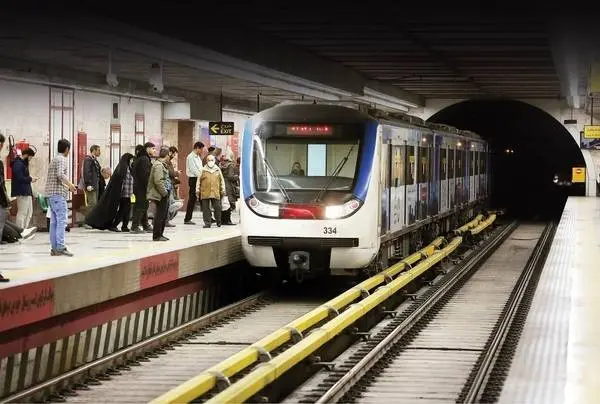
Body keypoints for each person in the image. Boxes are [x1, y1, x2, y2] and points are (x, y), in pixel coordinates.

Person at [85, 153, 134, 232]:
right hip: (123, 194)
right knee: (123, 210)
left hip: (128, 193)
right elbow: (120, 182)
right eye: (131, 159)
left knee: (126, 210)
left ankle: (124, 226)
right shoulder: (123, 169)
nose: (132, 161)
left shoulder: (128, 168)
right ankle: (114, 225)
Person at [45, 139, 77, 256]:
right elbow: (60, 174)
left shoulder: (54, 159)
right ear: (67, 149)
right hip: (58, 195)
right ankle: (60, 247)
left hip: (51, 195)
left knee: (54, 222)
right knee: (62, 221)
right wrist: (70, 185)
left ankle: (54, 248)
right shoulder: (62, 159)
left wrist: (67, 187)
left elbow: (56, 177)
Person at [11, 147, 38, 232]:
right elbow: (19, 178)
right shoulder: (18, 164)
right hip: (22, 192)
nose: (30, 159)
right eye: (30, 157)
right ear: (26, 155)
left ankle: (24, 229)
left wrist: (30, 178)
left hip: (26, 191)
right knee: (22, 212)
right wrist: (30, 179)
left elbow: (23, 177)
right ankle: (19, 231)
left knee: (29, 212)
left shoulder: (22, 164)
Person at [131, 142, 155, 234]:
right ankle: (135, 226)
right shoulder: (144, 159)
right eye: (153, 148)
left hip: (138, 186)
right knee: (140, 206)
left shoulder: (140, 158)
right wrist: (149, 187)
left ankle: (145, 225)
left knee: (143, 205)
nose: (154, 150)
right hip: (142, 187)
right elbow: (145, 175)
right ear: (147, 148)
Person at [147, 148, 170, 241]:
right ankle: (157, 235)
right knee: (160, 216)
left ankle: (160, 234)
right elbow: (158, 181)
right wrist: (164, 192)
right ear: (167, 156)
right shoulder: (158, 166)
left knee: (163, 215)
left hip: (163, 193)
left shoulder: (162, 165)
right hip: (160, 194)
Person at [199, 154, 225, 228]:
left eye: (212, 160)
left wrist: (223, 189)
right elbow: (198, 180)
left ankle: (218, 221)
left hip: (215, 191)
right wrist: (197, 190)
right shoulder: (203, 170)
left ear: (214, 161)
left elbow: (222, 180)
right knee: (205, 209)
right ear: (206, 161)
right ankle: (207, 223)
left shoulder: (217, 169)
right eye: (209, 160)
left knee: (217, 207)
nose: (210, 161)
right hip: (205, 191)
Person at [184, 141, 204, 225]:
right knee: (192, 199)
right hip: (194, 179)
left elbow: (201, 168)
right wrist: (201, 176)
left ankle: (208, 217)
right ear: (197, 148)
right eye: (201, 149)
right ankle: (187, 219)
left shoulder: (198, 157)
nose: (202, 151)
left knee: (202, 198)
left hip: (199, 178)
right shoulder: (191, 157)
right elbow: (193, 169)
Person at [79, 144, 102, 211]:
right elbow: (86, 172)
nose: (100, 152)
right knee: (92, 204)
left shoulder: (95, 160)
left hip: (95, 185)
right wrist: (88, 184)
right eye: (98, 150)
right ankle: (89, 218)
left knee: (94, 204)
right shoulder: (88, 159)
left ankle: (93, 217)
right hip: (91, 186)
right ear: (94, 150)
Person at [220, 152, 239, 225]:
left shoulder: (222, 165)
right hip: (229, 186)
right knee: (229, 202)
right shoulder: (230, 166)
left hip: (223, 184)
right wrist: (236, 177)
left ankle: (222, 220)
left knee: (224, 203)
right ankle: (228, 220)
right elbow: (230, 177)